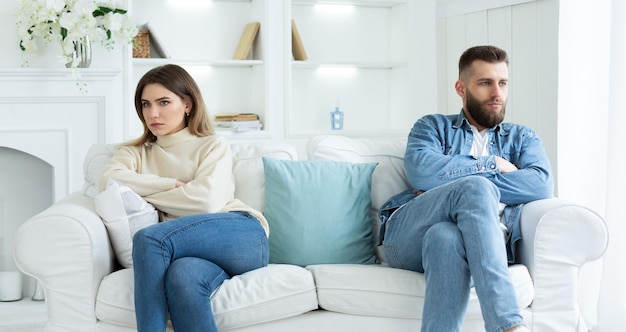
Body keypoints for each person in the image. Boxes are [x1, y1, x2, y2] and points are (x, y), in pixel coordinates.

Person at [378, 45, 553, 332]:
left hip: (473, 241)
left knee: (446, 237)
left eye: (503, 83)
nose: (497, 93)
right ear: (461, 88)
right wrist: (492, 164)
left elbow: (541, 184)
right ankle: (508, 325)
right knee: (473, 188)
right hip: (408, 237)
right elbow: (422, 171)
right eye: (485, 83)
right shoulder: (431, 127)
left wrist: (447, 182)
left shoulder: (522, 138)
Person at [99, 64, 269, 332]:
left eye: (163, 102)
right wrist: (175, 185)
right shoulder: (134, 152)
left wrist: (149, 193)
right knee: (183, 276)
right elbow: (110, 180)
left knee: (149, 238)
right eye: (145, 104)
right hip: (188, 253)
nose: (152, 113)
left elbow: (206, 203)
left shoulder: (213, 145)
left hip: (240, 234)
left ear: (187, 104)